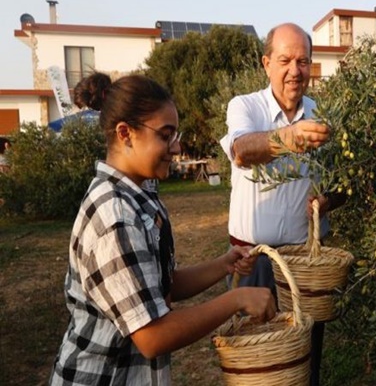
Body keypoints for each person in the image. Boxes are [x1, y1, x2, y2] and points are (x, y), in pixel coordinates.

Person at [50, 74, 276, 385]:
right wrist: (236, 299)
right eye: (165, 135)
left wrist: (224, 264)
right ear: (125, 133)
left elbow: (157, 286)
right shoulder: (115, 216)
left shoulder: (139, 197)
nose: (177, 146)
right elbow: (151, 335)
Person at [219, 22, 345, 386]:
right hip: (253, 260)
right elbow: (242, 151)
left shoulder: (324, 115)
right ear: (266, 63)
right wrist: (289, 137)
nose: (295, 71)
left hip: (305, 265)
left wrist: (328, 200)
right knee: (257, 364)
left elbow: (346, 183)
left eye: (303, 61)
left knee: (303, 359)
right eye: (285, 60)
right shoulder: (244, 107)